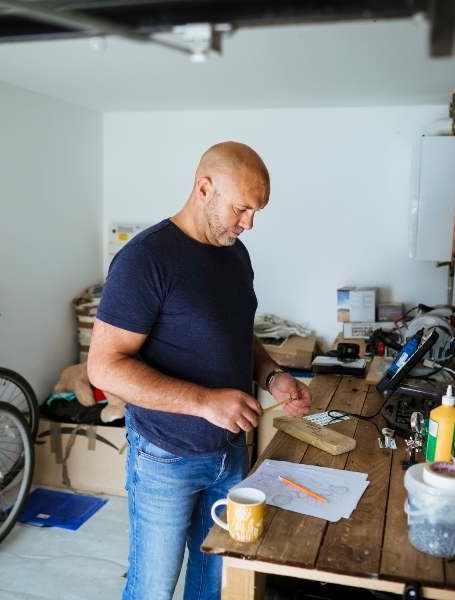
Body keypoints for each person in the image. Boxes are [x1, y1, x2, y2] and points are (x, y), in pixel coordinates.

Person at [87, 141, 312, 600]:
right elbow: (104, 368)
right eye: (243, 208)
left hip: (230, 454)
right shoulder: (145, 260)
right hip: (164, 458)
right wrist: (204, 402)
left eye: (256, 212)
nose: (249, 223)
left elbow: (235, 334)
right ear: (204, 188)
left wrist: (271, 375)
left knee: (215, 585)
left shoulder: (235, 255)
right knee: (152, 587)